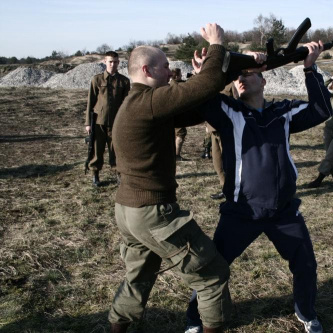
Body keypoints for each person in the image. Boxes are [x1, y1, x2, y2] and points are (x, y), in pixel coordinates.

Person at [185, 41, 331, 333]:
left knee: (305, 264)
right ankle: (195, 319)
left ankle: (306, 312)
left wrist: (310, 67)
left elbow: (321, 109)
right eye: (238, 76)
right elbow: (200, 100)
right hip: (242, 211)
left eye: (248, 74)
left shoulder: (283, 113)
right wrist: (203, 74)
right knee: (214, 268)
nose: (241, 78)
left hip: (284, 212)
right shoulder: (229, 113)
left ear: (264, 80)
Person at [109, 23, 233, 333]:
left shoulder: (138, 103)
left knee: (137, 279)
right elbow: (200, 90)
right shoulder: (148, 102)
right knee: (212, 274)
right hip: (152, 212)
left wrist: (211, 75)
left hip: (129, 210)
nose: (170, 72)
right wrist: (216, 45)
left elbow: (194, 106)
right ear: (148, 71)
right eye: (166, 67)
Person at [85, 50, 130, 186]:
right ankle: (95, 175)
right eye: (110, 62)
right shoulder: (96, 79)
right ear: (104, 62)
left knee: (116, 150)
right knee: (97, 150)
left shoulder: (124, 81)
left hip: (116, 123)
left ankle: (118, 174)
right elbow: (90, 102)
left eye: (115, 62)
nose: (113, 64)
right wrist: (88, 123)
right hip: (99, 122)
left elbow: (126, 104)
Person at [170, 68, 189, 161]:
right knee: (181, 133)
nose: (181, 76)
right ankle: (176, 155)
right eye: (180, 75)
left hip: (172, 113)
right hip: (178, 113)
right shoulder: (179, 85)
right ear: (177, 76)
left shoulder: (169, 85)